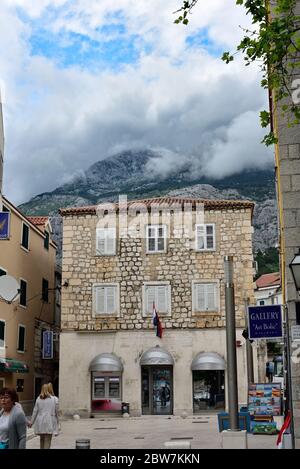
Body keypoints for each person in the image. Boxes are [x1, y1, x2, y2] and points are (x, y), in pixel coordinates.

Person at [28, 383, 59, 449]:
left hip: (40, 422)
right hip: (49, 421)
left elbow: (35, 411)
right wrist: (58, 423)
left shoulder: (38, 399)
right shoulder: (54, 399)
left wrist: (31, 422)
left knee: (42, 440)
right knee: (48, 440)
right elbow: (57, 413)